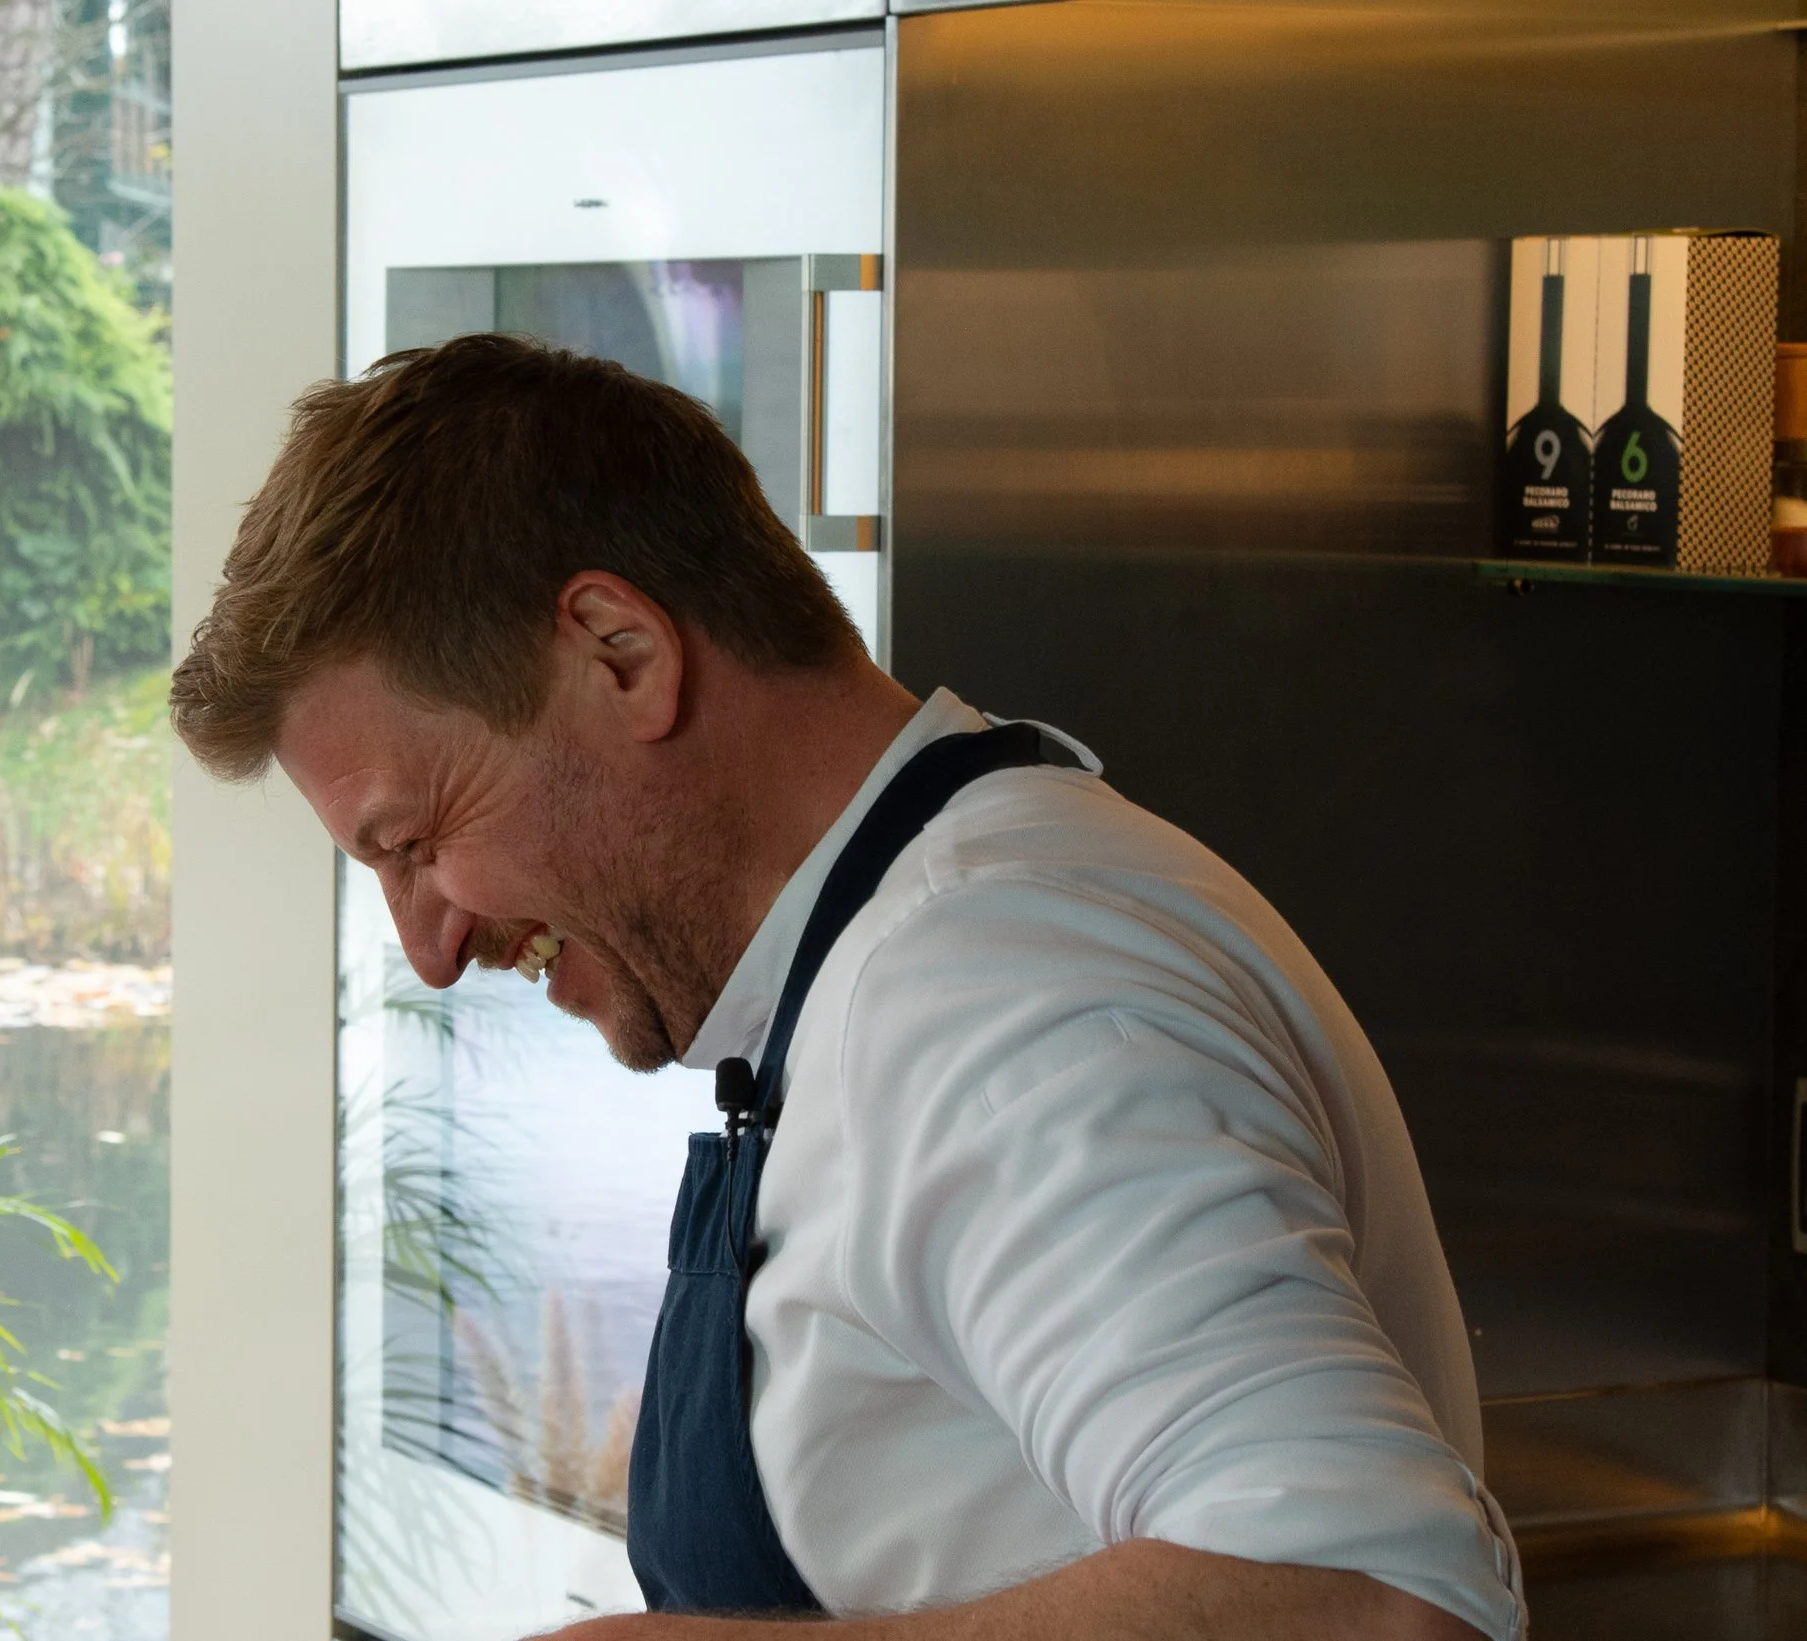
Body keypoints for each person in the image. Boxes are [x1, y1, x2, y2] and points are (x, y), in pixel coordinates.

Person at [169, 333, 1522, 1641]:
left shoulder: (998, 996)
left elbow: (1374, 1598)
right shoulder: (903, 948)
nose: (431, 945)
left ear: (620, 655)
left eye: (415, 841)